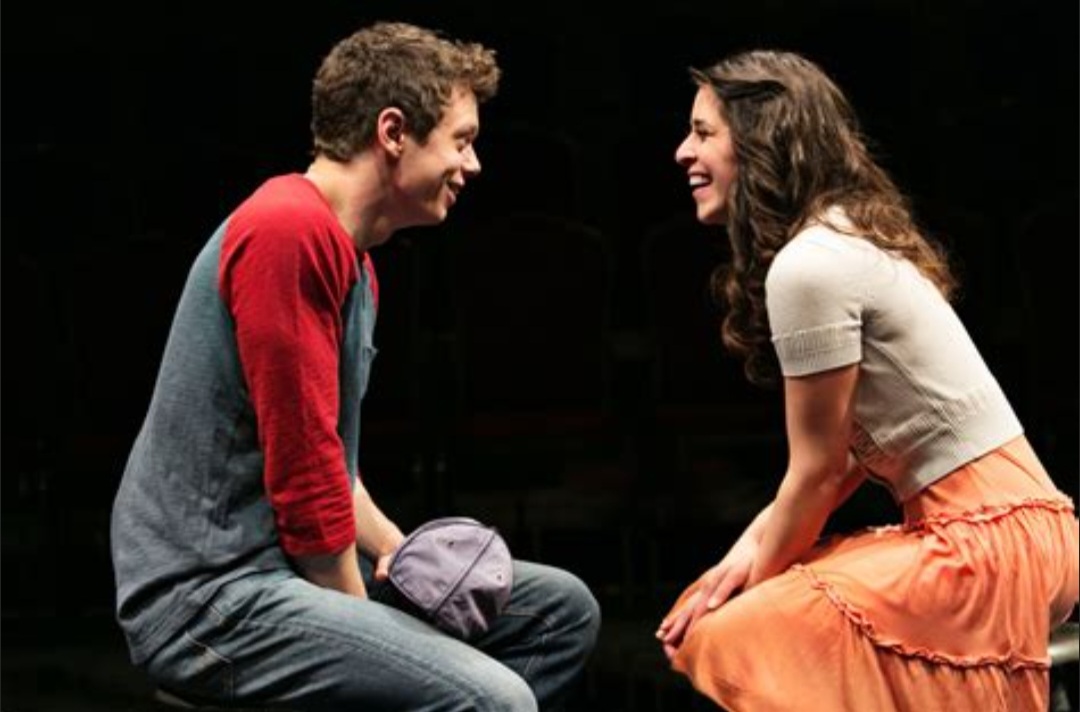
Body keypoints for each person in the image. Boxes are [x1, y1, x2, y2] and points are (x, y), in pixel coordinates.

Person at [110, 21, 599, 712]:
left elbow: (333, 464)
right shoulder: (287, 231)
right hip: (210, 597)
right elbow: (306, 487)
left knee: (559, 613)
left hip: (275, 572)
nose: (474, 165)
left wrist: (400, 553)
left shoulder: (355, 262)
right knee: (498, 701)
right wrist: (380, 633)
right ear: (393, 132)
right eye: (461, 140)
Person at [656, 49, 1079, 710]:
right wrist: (743, 557)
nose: (683, 151)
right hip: (1027, 534)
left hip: (986, 548)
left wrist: (751, 582)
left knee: (731, 633)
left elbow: (819, 472)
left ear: (762, 140)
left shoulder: (810, 264)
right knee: (729, 605)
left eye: (703, 132)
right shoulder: (842, 239)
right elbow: (848, 460)